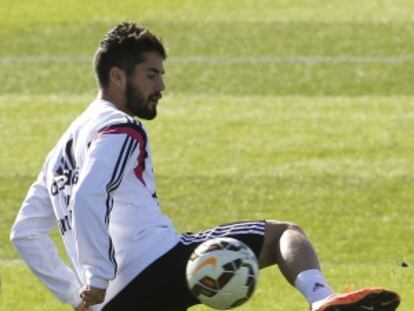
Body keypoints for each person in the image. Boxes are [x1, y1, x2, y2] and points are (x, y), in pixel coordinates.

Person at [10, 21, 400, 311]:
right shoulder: (120, 128)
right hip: (155, 263)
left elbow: (25, 233)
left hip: (109, 303)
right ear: (117, 76)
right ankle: (323, 300)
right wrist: (97, 274)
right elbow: (88, 195)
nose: (161, 86)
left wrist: (77, 293)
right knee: (282, 234)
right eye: (151, 75)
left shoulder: (60, 151)